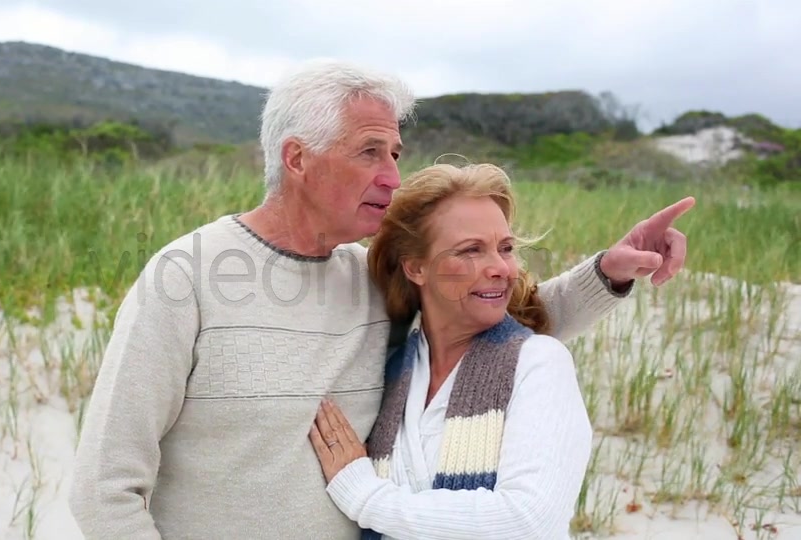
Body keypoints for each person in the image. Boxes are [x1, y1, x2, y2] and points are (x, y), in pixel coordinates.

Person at [68, 58, 694, 539]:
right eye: (370, 152)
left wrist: (611, 272)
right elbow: (104, 487)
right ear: (298, 159)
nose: (393, 177)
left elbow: (489, 315)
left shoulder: (367, 277)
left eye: (395, 152)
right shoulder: (187, 275)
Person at [309, 162, 593, 540]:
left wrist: (365, 496)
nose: (501, 268)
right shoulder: (392, 370)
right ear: (416, 268)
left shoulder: (539, 362)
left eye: (505, 248)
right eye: (471, 250)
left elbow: (528, 519)